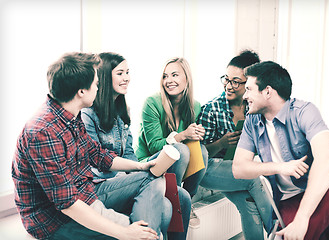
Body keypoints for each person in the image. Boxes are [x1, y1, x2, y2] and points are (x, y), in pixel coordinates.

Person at [12, 52, 170, 240]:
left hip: (85, 193)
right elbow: (67, 204)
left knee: (152, 178)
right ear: (81, 91)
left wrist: (140, 166)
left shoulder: (70, 113)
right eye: (96, 84)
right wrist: (125, 233)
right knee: (155, 224)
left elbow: (97, 154)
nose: (98, 88)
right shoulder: (43, 132)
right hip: (55, 220)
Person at [232, 61, 329, 240]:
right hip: (289, 201)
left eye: (249, 89)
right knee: (294, 232)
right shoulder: (251, 122)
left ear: (268, 92)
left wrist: (303, 218)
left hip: (324, 192)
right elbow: (238, 168)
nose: (245, 95)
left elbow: (327, 160)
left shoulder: (305, 112)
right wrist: (280, 167)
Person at [81, 52, 191, 239]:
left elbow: (129, 152)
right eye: (120, 73)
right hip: (103, 184)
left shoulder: (123, 111)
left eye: (127, 72)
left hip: (128, 176)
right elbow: (95, 161)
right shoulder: (88, 113)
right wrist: (132, 174)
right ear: (106, 77)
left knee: (183, 198)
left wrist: (133, 172)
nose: (127, 78)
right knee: (163, 203)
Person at [197, 50, 272, 239]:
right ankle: (280, 232)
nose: (228, 86)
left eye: (236, 82)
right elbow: (198, 156)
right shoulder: (212, 108)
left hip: (234, 169)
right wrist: (221, 143)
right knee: (253, 177)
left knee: (249, 205)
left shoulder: (253, 109)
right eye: (226, 79)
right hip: (208, 170)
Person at [135, 57, 209, 229]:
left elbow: (193, 146)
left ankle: (186, 200)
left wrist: (197, 134)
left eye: (174, 75)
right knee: (181, 150)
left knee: (202, 151)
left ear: (186, 79)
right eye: (165, 76)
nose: (169, 81)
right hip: (148, 161)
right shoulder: (152, 103)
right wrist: (183, 135)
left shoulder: (195, 106)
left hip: (175, 167)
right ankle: (175, 201)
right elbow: (154, 146)